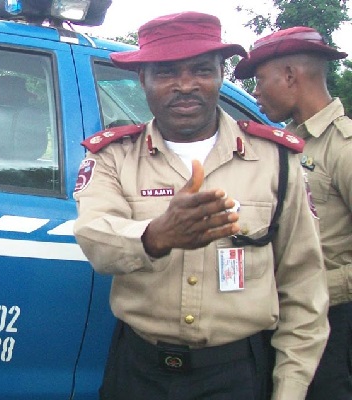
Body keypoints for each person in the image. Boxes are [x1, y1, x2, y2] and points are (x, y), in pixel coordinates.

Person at [72, 12, 329, 400]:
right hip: (139, 372)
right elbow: (95, 238)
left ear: (222, 73)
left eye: (201, 70)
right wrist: (156, 235)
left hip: (237, 375)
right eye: (166, 73)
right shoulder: (112, 157)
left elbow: (304, 287)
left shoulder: (277, 159)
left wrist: (289, 390)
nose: (186, 85)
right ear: (141, 79)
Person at [234, 26, 352, 400]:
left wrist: (315, 287)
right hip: (279, 314)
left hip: (332, 323)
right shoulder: (285, 144)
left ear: (290, 76)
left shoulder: (343, 148)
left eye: (259, 80)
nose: (254, 92)